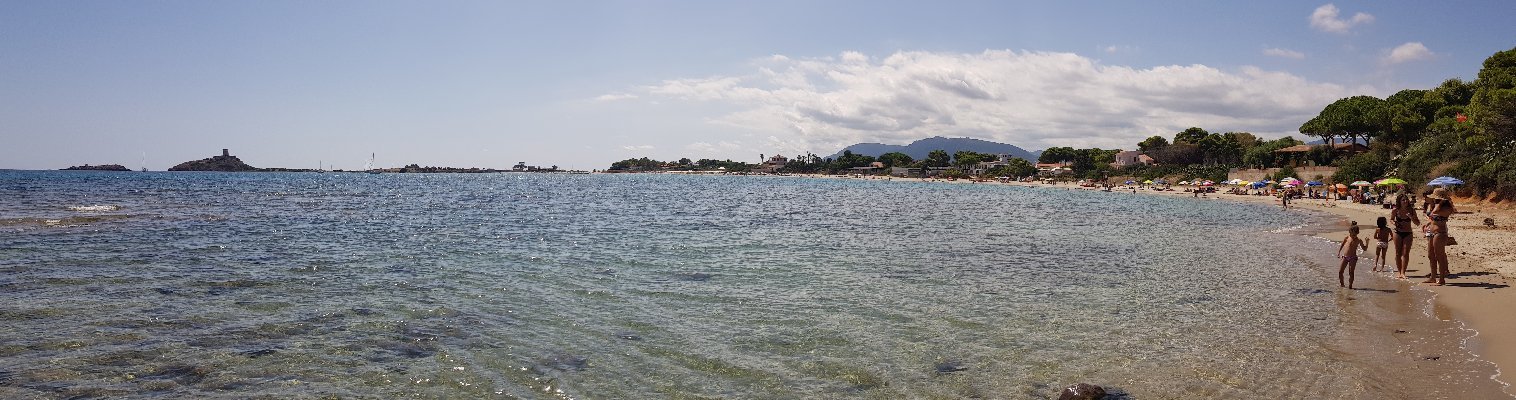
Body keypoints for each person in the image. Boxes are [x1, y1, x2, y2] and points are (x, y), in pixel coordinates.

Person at [1422, 187, 1456, 286]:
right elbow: (1432, 217)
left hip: (1440, 233)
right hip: (1433, 232)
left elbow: (1434, 213)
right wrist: (1427, 224)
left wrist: (1441, 202)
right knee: (1431, 255)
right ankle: (1433, 277)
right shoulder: (1437, 205)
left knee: (1439, 256)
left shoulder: (1446, 207)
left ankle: (1441, 279)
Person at [1389, 191, 1421, 279]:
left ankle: (1403, 272)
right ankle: (1399, 272)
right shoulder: (1395, 210)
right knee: (1398, 253)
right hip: (1397, 233)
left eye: (1406, 200)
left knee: (1406, 253)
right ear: (1399, 201)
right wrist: (1394, 223)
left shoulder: (1411, 210)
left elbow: (1417, 223)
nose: (1405, 201)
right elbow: (1391, 219)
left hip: (1408, 233)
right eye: (1403, 200)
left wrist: (1411, 217)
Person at [1339, 224, 1368, 289]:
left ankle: (1350, 286)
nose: (1354, 236)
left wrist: (1367, 242)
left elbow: (1364, 249)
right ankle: (1342, 285)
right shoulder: (1346, 238)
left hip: (1353, 258)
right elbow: (1342, 245)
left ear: (1357, 233)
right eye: (1353, 234)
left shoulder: (1359, 240)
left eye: (1355, 234)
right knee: (1340, 271)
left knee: (1351, 272)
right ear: (1350, 232)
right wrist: (1339, 252)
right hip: (1345, 257)